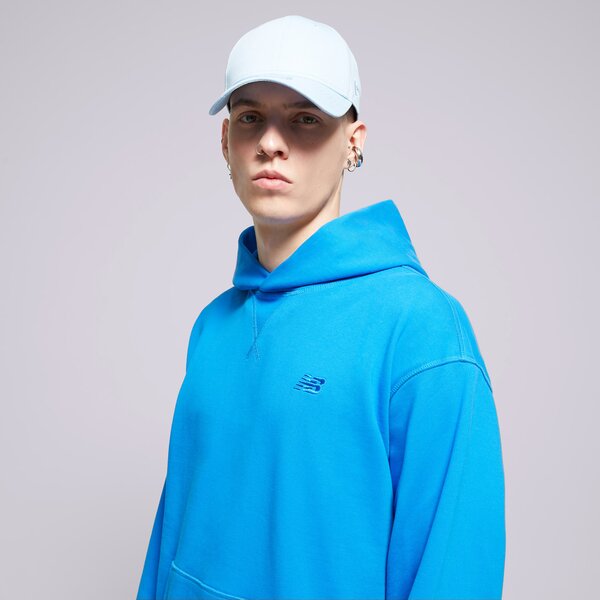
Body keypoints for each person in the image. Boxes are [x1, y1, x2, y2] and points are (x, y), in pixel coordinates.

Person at [136, 14, 505, 600]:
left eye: (305, 119)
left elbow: (453, 571)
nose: (271, 142)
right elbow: (172, 541)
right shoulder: (213, 327)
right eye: (250, 117)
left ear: (353, 141)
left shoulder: (422, 330)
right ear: (226, 141)